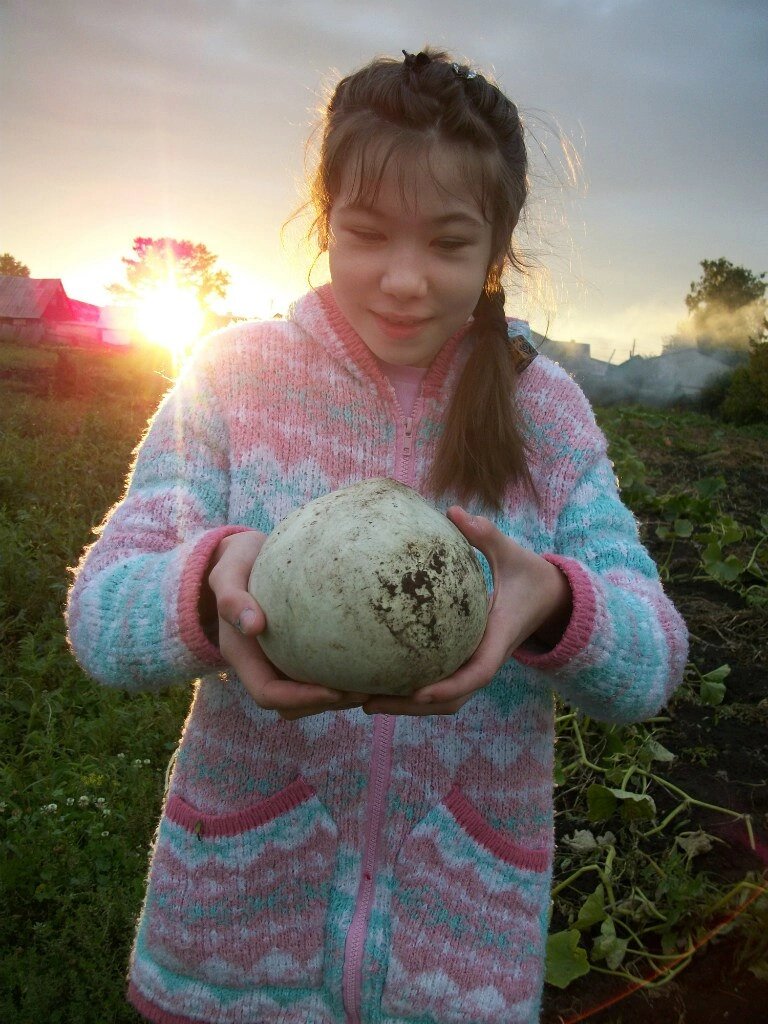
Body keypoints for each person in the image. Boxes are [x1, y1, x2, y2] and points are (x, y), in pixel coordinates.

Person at [65, 48, 688, 1024]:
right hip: (229, 946)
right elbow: (102, 616)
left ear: (496, 247)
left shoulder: (547, 414)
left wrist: (556, 600)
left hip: (459, 960)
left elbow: (651, 660)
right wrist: (206, 589)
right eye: (367, 234)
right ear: (324, 225)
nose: (403, 279)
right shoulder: (232, 378)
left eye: (447, 243)